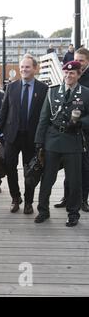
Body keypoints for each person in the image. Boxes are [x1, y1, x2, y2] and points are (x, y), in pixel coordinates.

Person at [34, 61, 89, 227]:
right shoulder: (52, 92)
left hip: (73, 141)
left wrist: (81, 123)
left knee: (74, 181)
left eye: (72, 73)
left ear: (78, 75)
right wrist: (39, 141)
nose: (68, 76)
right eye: (66, 73)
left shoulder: (86, 93)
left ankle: (73, 213)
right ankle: (43, 210)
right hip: (53, 139)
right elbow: (44, 118)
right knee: (47, 179)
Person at [0, 54, 48, 214]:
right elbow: (3, 111)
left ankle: (29, 202)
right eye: (22, 67)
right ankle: (15, 198)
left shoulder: (43, 89)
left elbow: (45, 116)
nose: (24, 69)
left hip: (32, 138)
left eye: (27, 67)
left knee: (30, 171)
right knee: (10, 168)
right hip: (11, 135)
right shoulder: (12, 87)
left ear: (35, 69)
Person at [54, 47, 89, 212]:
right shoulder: (69, 75)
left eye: (81, 60)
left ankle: (83, 199)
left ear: (87, 61)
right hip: (67, 131)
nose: (77, 63)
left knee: (84, 167)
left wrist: (80, 122)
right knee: (69, 166)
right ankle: (67, 197)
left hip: (85, 132)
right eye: (75, 59)